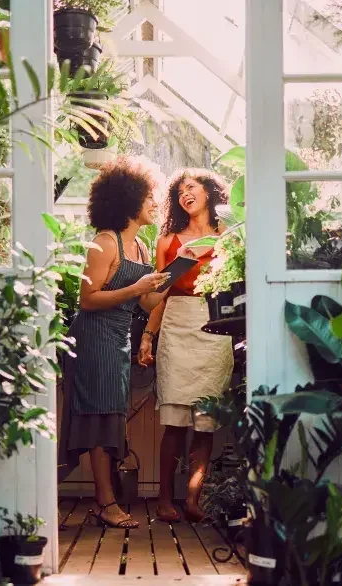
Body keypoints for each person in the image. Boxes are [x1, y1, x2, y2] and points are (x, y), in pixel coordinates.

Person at [60, 157, 172, 529]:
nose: (155, 205)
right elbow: (86, 300)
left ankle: (105, 501)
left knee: (112, 417)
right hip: (93, 337)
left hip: (119, 337)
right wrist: (137, 287)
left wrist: (169, 280)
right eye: (150, 198)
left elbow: (146, 303)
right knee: (99, 417)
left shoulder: (139, 247)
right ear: (129, 200)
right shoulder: (104, 243)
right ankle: (106, 504)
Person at [138, 168, 234, 523]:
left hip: (214, 326)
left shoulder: (230, 238)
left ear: (209, 192)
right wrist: (148, 336)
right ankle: (165, 499)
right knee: (175, 420)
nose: (184, 194)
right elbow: (157, 298)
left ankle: (193, 499)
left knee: (205, 419)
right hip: (177, 325)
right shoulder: (167, 242)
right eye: (179, 191)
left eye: (191, 187)